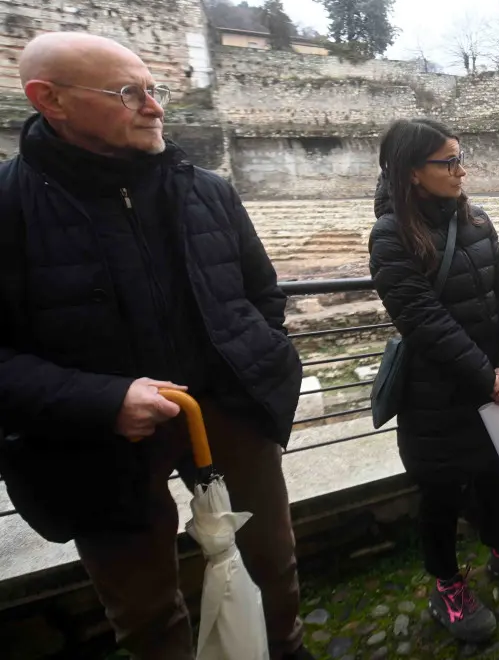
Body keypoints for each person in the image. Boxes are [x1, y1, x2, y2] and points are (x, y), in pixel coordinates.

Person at [0, 33, 311, 660]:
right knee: (143, 606)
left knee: (272, 558)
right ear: (49, 100)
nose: (154, 106)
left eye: (153, 89)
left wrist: (260, 359)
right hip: (95, 442)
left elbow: (263, 294)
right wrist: (101, 399)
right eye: (128, 93)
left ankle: (287, 649)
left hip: (230, 410)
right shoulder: (7, 209)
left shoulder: (208, 190)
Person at [368, 118, 499, 644]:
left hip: (494, 383)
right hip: (435, 399)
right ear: (412, 174)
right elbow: (424, 322)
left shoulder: (477, 218)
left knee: (494, 478)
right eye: (448, 162)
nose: (461, 169)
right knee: (441, 494)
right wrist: (489, 377)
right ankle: (446, 584)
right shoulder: (390, 237)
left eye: (460, 156)